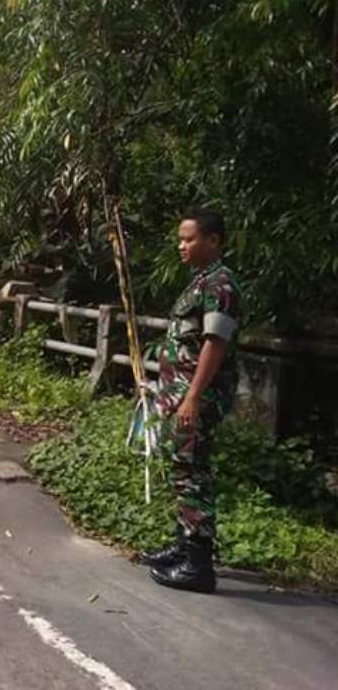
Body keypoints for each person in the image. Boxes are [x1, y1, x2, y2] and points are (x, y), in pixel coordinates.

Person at [140, 208, 241, 594]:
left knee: (193, 472)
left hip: (197, 398)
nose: (181, 246)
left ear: (213, 241)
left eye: (189, 239)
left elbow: (215, 344)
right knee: (183, 469)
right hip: (179, 395)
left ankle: (198, 565)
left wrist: (193, 397)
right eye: (180, 239)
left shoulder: (221, 285)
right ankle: (183, 546)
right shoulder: (201, 282)